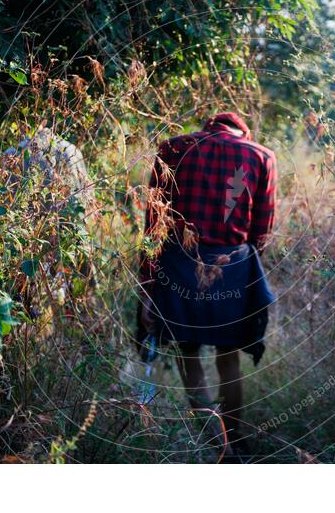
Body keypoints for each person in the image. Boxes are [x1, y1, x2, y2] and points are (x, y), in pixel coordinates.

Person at [138, 111, 277, 461]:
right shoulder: (261, 156)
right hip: (231, 268)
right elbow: (262, 232)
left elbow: (153, 226)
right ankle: (235, 440)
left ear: (207, 127)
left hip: (179, 265)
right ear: (241, 131)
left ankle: (217, 447)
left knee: (188, 355)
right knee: (228, 358)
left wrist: (148, 285)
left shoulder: (172, 149)